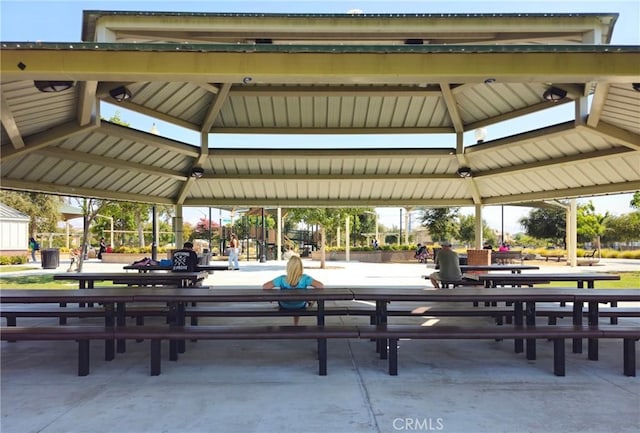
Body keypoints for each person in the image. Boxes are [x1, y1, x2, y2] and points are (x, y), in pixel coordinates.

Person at [262, 255, 324, 325]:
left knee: (291, 300)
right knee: (303, 300)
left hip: (284, 305)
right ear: (300, 267)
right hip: (300, 305)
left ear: (288, 267)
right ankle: (296, 323)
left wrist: (271, 298)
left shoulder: (281, 279)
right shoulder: (305, 279)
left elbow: (265, 286)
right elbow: (320, 286)